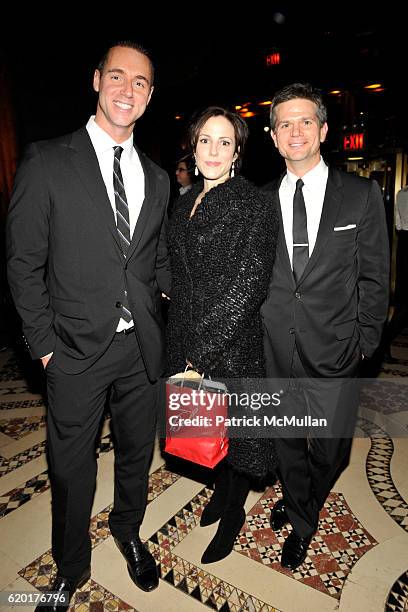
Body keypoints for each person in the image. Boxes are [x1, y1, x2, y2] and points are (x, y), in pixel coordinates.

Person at [6, 41, 171, 610]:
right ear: (97, 80)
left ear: (150, 97)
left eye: (141, 82)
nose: (128, 90)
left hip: (142, 351)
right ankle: (72, 567)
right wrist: (45, 346)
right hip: (73, 352)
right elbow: (23, 262)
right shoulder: (48, 160)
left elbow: (154, 262)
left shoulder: (156, 176)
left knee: (135, 456)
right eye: (118, 77)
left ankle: (128, 531)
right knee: (71, 471)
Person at [261, 83, 389, 570]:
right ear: (274, 137)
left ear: (324, 131)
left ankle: (303, 501)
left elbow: (375, 279)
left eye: (305, 121)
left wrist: (365, 344)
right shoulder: (256, 203)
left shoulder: (359, 196)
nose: (295, 131)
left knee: (332, 450)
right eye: (285, 124)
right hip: (274, 351)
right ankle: (303, 515)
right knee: (288, 442)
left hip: (338, 350)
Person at [166, 106, 278, 564]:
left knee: (235, 437)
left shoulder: (253, 205)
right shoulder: (185, 200)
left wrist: (201, 355)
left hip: (230, 345)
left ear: (237, 153)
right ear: (193, 147)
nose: (213, 150)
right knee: (208, 430)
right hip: (187, 338)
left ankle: (232, 515)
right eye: (205, 140)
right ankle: (219, 496)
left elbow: (246, 289)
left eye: (224, 142)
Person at [382, 182, 408, 361]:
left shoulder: (401, 193)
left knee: (403, 301)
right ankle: (383, 343)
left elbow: (398, 224)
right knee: (405, 306)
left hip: (404, 243)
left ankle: (383, 343)